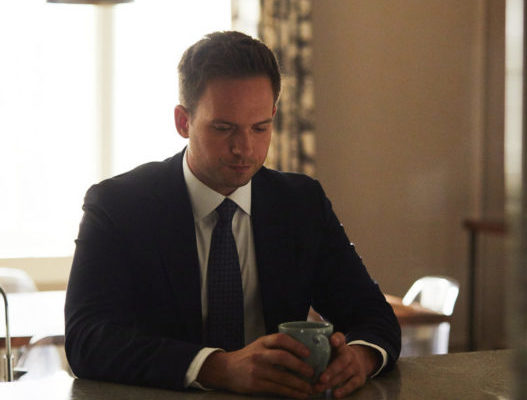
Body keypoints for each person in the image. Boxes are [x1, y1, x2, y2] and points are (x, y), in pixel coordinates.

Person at [64, 31, 400, 399]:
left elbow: (373, 315)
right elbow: (87, 340)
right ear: (183, 122)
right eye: (224, 128)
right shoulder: (119, 206)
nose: (245, 148)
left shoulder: (301, 203)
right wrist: (218, 368)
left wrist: (360, 358)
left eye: (260, 128)